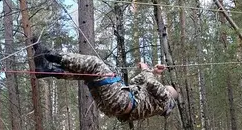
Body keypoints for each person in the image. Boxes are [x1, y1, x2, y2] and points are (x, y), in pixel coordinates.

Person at [32, 39, 177, 122]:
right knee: (88, 75)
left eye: (166, 87)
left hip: (122, 101)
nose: (164, 87)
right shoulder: (155, 101)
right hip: (116, 105)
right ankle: (48, 70)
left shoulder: (164, 98)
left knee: (94, 64)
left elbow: (151, 83)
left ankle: (50, 55)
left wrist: (146, 70)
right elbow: (136, 81)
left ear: (169, 93)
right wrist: (152, 72)